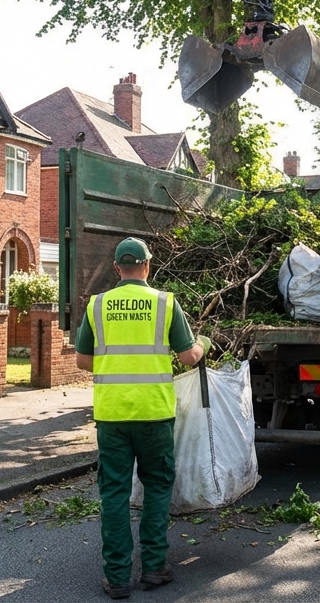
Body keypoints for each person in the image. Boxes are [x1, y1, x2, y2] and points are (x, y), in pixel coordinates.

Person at [75, 237, 203, 599]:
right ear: (148, 265)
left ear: (117, 268)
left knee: (114, 493)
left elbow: (83, 362)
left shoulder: (97, 306)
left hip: (112, 414)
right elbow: (189, 357)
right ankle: (154, 568)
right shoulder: (165, 303)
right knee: (158, 488)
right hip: (154, 413)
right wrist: (202, 344)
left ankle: (116, 577)